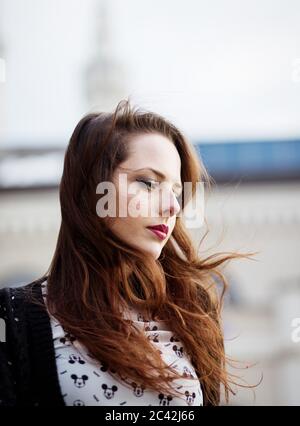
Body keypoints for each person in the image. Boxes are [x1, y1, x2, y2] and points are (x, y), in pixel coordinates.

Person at [0, 99, 253, 406]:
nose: (172, 207)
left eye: (175, 191)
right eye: (148, 183)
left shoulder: (192, 313)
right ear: (92, 188)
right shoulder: (18, 320)